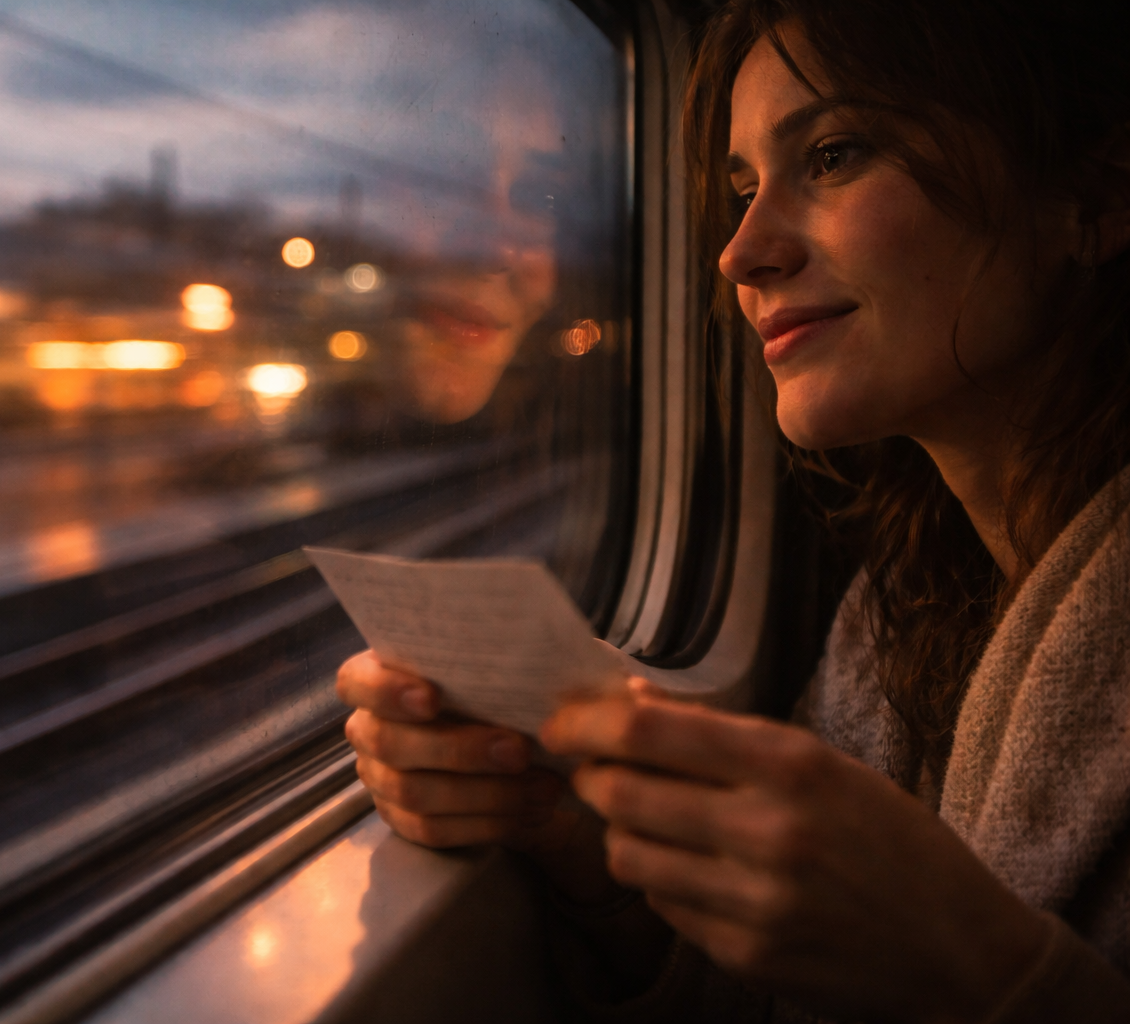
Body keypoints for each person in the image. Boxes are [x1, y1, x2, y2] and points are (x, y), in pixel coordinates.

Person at [336, 0, 1130, 1020]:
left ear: (1097, 197)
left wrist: (993, 979)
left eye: (835, 155)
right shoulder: (891, 626)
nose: (740, 251)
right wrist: (586, 846)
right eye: (743, 189)